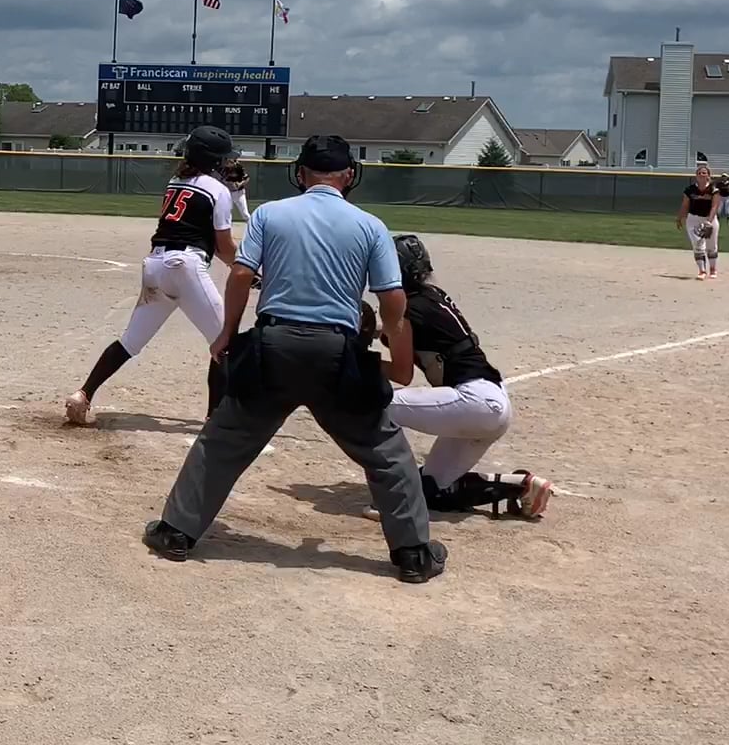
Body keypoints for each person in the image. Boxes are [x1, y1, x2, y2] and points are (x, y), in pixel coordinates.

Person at [142, 134, 447, 584]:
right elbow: (392, 298)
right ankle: (413, 554)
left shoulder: (270, 214)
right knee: (386, 452)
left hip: (275, 346)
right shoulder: (370, 225)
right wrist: (389, 332)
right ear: (349, 176)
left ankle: (175, 532)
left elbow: (240, 275)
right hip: (336, 352)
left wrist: (227, 333)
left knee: (224, 440)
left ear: (300, 174)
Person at [65, 125, 238, 427]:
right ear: (213, 160)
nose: (227, 163)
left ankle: (83, 394)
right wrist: (248, 269)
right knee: (224, 343)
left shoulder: (176, 182)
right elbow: (224, 247)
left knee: (130, 342)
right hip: (185, 266)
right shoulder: (218, 191)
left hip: (156, 266)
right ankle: (215, 419)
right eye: (223, 159)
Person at [371, 234, 553, 520]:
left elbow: (401, 374)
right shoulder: (432, 296)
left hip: (473, 401)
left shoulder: (407, 309)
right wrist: (376, 332)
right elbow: (403, 332)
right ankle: (520, 486)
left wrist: (360, 360)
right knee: (432, 490)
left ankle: (392, 490)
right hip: (490, 402)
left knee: (377, 405)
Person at [678, 162, 721, 279]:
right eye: (699, 173)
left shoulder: (714, 189)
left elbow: (714, 207)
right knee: (697, 244)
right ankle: (702, 271)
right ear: (696, 176)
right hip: (693, 219)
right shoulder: (690, 189)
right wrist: (679, 217)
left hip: (709, 219)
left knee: (711, 245)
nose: (702, 174)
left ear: (708, 175)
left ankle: (713, 269)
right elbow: (685, 205)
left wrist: (709, 221)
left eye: (704, 173)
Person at [221, 157, 253, 230]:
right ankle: (228, 230)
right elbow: (221, 179)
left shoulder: (238, 167)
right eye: (227, 160)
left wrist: (240, 184)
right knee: (227, 212)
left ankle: (253, 227)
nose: (228, 162)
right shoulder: (223, 168)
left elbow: (247, 178)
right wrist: (227, 183)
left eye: (230, 160)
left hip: (239, 193)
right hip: (228, 193)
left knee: (244, 213)